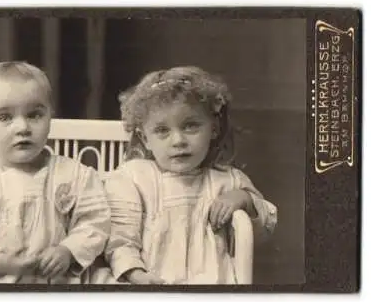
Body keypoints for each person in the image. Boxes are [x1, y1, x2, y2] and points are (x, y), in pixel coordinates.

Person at [99, 66, 277, 284]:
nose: (178, 141)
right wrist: (136, 274)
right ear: (145, 138)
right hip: (153, 287)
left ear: (213, 129)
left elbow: (263, 230)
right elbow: (120, 239)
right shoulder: (134, 178)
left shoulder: (227, 179)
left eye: (190, 126)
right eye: (162, 131)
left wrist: (245, 199)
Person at [0, 61, 110, 283]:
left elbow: (95, 221)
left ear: (49, 117)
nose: (23, 127)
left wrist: (68, 250)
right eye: (5, 117)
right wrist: (3, 261)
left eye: (34, 115)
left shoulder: (76, 175)